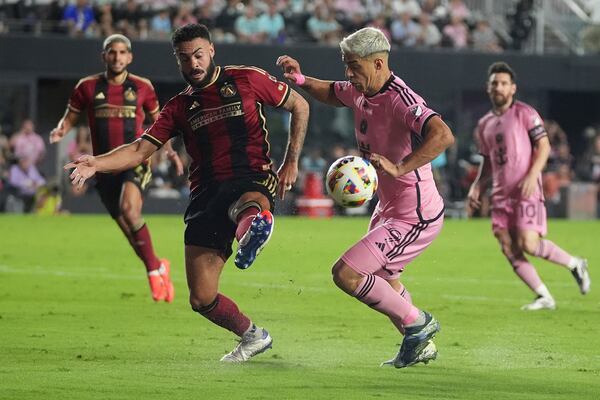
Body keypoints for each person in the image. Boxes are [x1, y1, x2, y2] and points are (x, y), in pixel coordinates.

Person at [65, 24, 309, 363]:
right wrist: (96, 162)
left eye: (198, 54)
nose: (193, 63)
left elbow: (300, 105)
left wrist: (291, 162)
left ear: (211, 50)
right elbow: (139, 150)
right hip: (205, 194)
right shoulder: (179, 107)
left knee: (247, 203)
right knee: (201, 298)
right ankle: (253, 336)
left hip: (250, 176)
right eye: (185, 58)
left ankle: (254, 226)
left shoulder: (247, 79)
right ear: (177, 60)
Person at [277, 27, 454, 368]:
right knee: (385, 280)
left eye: (353, 66)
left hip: (414, 215)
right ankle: (418, 344)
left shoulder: (402, 98)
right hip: (388, 208)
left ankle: (419, 323)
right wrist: (300, 79)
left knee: (347, 274)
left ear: (377, 64)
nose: (348, 73)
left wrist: (401, 167)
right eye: (346, 65)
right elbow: (331, 91)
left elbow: (442, 135)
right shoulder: (362, 90)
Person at [50, 34, 184, 303]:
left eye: (123, 52)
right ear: (104, 56)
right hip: (102, 168)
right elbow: (71, 116)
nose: (118, 57)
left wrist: (169, 152)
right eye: (112, 52)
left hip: (135, 162)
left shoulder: (142, 87)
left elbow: (160, 124)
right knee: (129, 229)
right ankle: (159, 265)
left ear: (130, 57)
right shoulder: (87, 87)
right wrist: (61, 128)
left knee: (129, 210)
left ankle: (152, 272)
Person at [468, 62, 591, 311]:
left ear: (512, 88)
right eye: (494, 83)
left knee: (528, 243)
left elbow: (544, 146)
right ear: (488, 88)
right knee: (507, 245)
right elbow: (488, 161)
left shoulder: (525, 113)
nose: (498, 87)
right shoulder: (484, 125)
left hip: (527, 189)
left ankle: (575, 264)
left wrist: (532, 174)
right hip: (501, 194)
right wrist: (477, 186)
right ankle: (543, 295)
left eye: (503, 83)